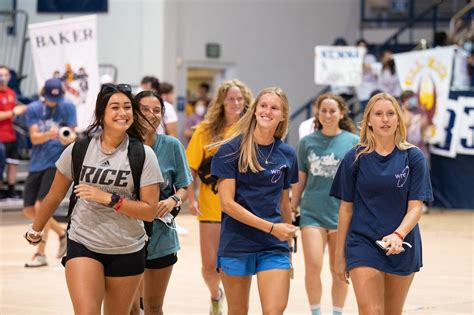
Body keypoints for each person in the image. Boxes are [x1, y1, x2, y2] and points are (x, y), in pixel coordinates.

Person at [25, 83, 162, 314]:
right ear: (101, 113)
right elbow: (54, 195)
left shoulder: (143, 155)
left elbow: (149, 210)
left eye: (127, 107)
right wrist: (36, 229)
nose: (123, 113)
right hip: (83, 241)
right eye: (115, 107)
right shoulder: (79, 149)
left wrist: (109, 198)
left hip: (127, 247)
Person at [330, 92, 433, 314]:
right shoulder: (354, 158)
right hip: (363, 242)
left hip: (402, 243)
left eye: (390, 113)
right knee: (370, 310)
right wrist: (339, 258)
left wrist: (398, 235)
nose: (385, 119)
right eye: (378, 114)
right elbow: (346, 210)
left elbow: (415, 208)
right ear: (368, 120)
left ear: (398, 118)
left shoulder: (413, 157)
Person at [210, 87, 298, 315]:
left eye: (274, 107)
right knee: (238, 311)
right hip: (237, 243)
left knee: (274, 311)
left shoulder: (287, 154)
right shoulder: (230, 150)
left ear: (283, 115)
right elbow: (227, 204)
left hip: (274, 246)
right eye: (263, 105)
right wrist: (271, 228)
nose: (267, 111)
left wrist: (287, 245)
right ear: (255, 110)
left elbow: (283, 202)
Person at [185, 79, 253, 315]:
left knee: (235, 265)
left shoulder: (251, 130)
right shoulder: (205, 130)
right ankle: (216, 295)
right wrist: (191, 198)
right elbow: (190, 167)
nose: (236, 103)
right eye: (231, 98)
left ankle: (236, 306)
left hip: (243, 206)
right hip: (211, 206)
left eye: (240, 99)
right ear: (222, 101)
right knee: (208, 266)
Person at [291, 93, 359, 315]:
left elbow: (359, 181)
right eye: (323, 111)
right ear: (316, 113)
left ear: (341, 113)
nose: (328, 115)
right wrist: (292, 208)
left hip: (342, 214)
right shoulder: (306, 143)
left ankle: (337, 312)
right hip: (312, 213)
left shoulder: (353, 142)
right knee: (313, 267)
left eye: (332, 111)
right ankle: (316, 312)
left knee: (338, 268)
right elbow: (300, 179)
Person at [133, 90, 192, 314]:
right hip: (127, 236)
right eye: (145, 110)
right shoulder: (125, 145)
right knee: (131, 305)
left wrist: (173, 200)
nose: (151, 115)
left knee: (153, 305)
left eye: (157, 110)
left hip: (161, 237)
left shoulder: (172, 145)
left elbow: (184, 187)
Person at [23, 78, 77, 267]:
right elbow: (34, 138)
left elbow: (72, 135)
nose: (54, 101)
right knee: (28, 209)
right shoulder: (34, 109)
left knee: (40, 207)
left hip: (56, 162)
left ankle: (40, 253)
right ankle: (62, 233)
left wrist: (68, 138)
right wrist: (50, 134)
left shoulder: (68, 107)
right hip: (37, 162)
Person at [0, 65, 27, 199]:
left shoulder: (11, 92)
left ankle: (11, 190)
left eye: (5, 75)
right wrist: (12, 112)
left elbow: (13, 115)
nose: (3, 78)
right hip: (0, 137)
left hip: (10, 134)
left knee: (13, 162)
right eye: (1, 75)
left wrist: (19, 111)